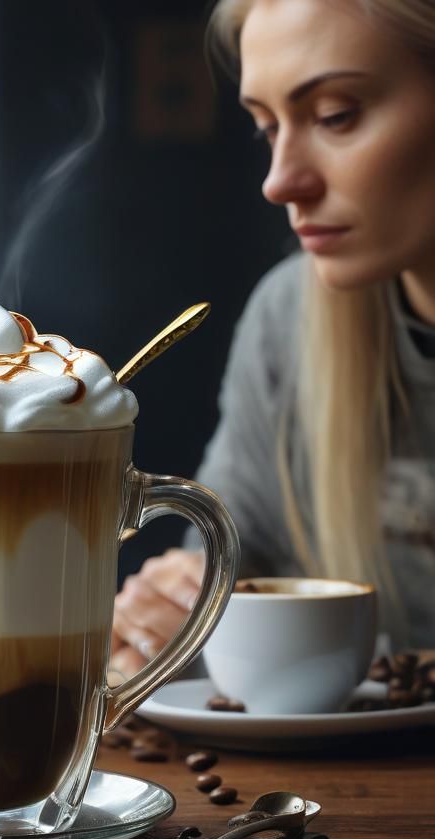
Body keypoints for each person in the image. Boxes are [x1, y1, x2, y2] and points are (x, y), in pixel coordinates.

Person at [111, 0, 435, 677]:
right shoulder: (287, 320)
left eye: (335, 115)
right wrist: (177, 601)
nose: (279, 181)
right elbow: (237, 556)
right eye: (266, 129)